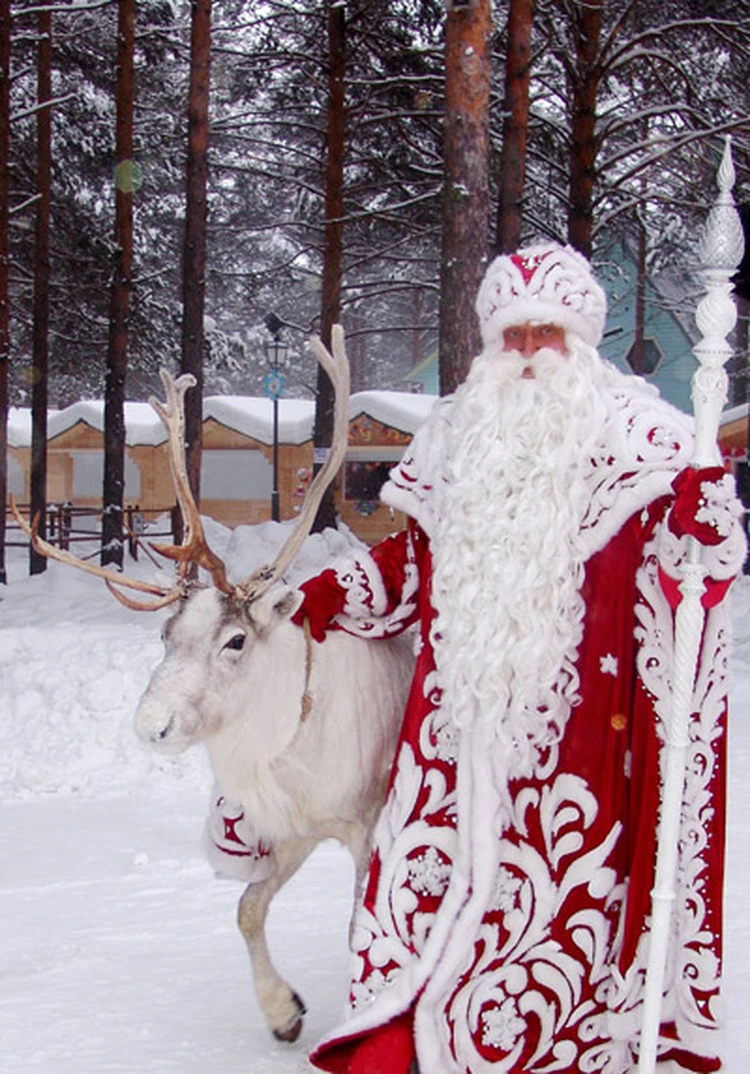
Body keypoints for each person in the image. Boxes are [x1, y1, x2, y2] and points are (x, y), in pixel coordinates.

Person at [285, 243, 746, 1074]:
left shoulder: (650, 442)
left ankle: (550, 1036)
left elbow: (690, 579)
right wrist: (336, 590)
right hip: (456, 723)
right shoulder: (458, 433)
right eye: (516, 334)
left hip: (576, 735)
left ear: (583, 339)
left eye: (550, 333)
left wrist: (703, 533)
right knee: (425, 866)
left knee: (558, 883)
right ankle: (412, 1012)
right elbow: (415, 562)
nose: (531, 351)